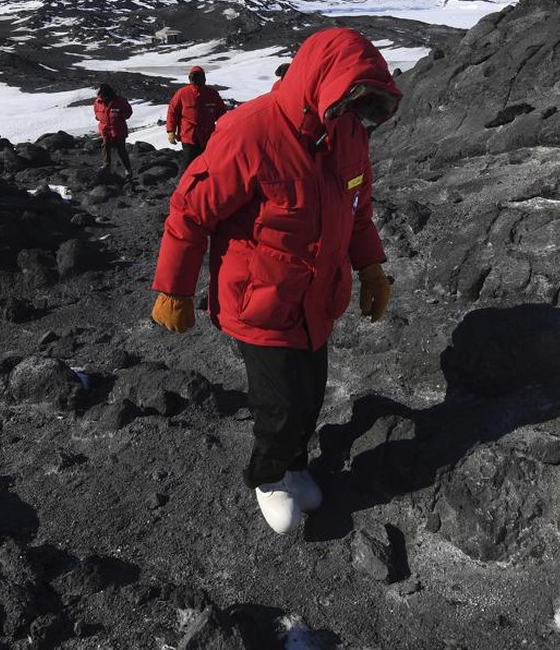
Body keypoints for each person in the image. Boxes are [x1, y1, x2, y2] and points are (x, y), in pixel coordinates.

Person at [149, 28, 401, 534]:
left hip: (317, 301)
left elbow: (357, 210)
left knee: (310, 394)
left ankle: (296, 464)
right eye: (352, 101)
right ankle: (267, 477)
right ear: (322, 83)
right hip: (258, 303)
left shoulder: (349, 134)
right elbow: (189, 211)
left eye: (366, 105)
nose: (357, 114)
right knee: (279, 404)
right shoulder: (250, 132)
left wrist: (370, 268)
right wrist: (173, 288)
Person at [165, 66, 226, 167]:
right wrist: (170, 131)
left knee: (207, 164)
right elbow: (172, 112)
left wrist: (224, 132)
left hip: (207, 137)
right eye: (193, 76)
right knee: (188, 165)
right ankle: (184, 183)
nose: (196, 78)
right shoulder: (182, 93)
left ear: (204, 78)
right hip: (189, 136)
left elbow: (222, 115)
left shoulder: (212, 94)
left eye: (199, 76)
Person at [93, 83, 134, 178]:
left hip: (118, 129)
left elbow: (128, 112)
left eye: (102, 95)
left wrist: (120, 117)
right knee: (105, 146)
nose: (101, 97)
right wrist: (98, 117)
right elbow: (96, 111)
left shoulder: (120, 101)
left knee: (121, 149)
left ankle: (128, 169)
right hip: (105, 129)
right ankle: (106, 166)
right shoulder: (98, 101)